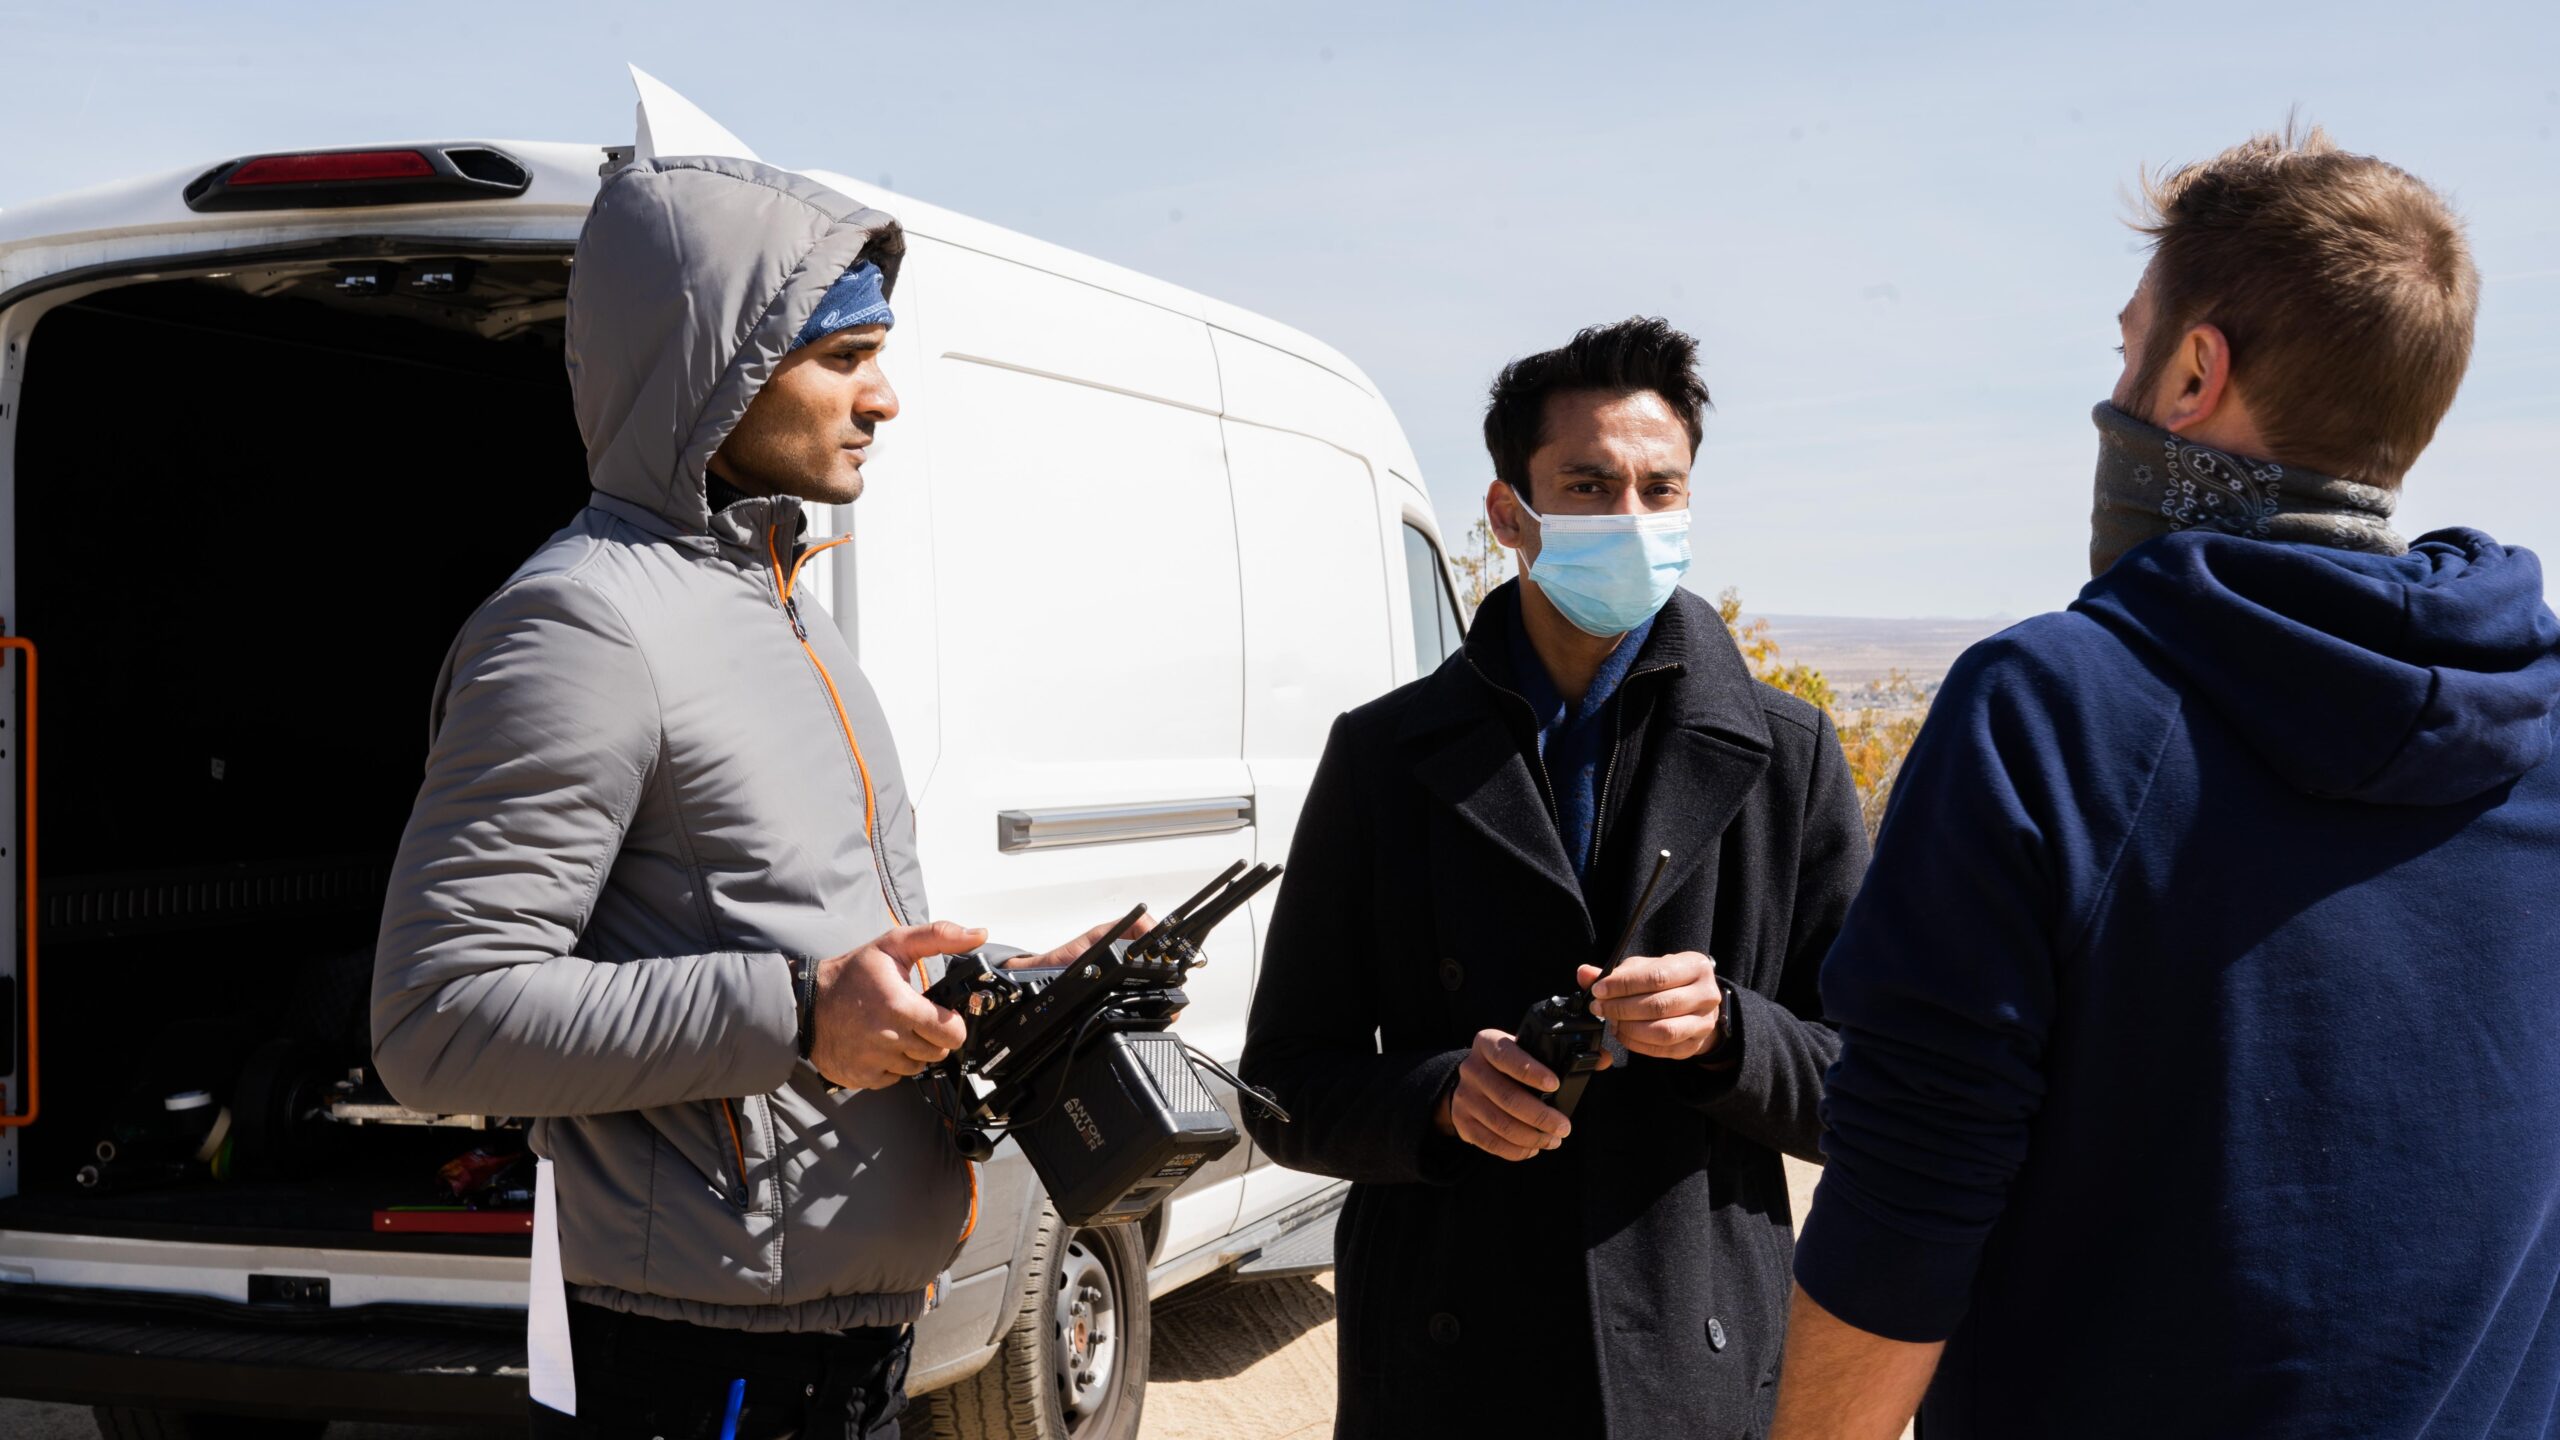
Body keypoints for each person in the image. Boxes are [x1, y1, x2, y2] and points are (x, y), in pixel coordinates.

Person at [1775, 126, 2560, 1440]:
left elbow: (1904, 1213)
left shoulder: (2055, 711)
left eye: (2128, 345)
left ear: (2195, 369)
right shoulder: (2539, 718)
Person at [373, 156, 1125, 1440]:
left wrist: (993, 981)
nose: (883, 398)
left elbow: (807, 936)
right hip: (690, 1359)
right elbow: (438, 1020)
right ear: (715, 363)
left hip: (845, 1337)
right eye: (844, 356)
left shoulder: (788, 616)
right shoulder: (583, 624)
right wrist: (794, 1016)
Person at [1239, 317, 1870, 1438]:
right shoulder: (1383, 754)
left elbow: (1870, 1083)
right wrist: (1438, 1096)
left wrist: (1727, 1030)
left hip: (1692, 1348)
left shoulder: (1788, 753)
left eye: (1657, 488)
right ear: (1506, 516)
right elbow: (1284, 1084)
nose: (1629, 520)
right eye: (1586, 485)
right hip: (1449, 1355)